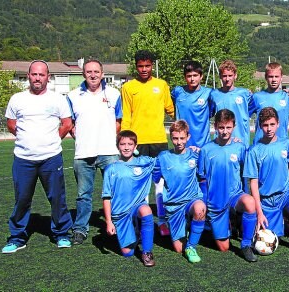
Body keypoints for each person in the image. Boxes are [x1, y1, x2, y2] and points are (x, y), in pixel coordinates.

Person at [2, 60, 73, 253]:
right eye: (34, 74)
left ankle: (62, 234)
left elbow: (66, 123)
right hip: (23, 159)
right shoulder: (17, 99)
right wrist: (28, 139)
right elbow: (11, 124)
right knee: (22, 199)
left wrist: (50, 139)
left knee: (57, 198)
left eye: (42, 75)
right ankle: (17, 237)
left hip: (51, 157)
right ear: (28, 76)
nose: (38, 78)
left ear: (48, 78)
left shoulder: (58, 99)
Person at [67, 59, 122, 245]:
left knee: (115, 192)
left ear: (102, 73)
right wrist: (84, 138)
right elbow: (70, 124)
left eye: (96, 71)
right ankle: (80, 229)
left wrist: (106, 138)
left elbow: (118, 122)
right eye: (89, 71)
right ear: (83, 74)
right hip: (83, 154)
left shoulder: (114, 94)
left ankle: (118, 225)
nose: (93, 75)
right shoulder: (73, 96)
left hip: (109, 152)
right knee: (83, 194)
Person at [244, 107, 289, 254]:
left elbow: (288, 170)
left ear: (278, 123)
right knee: (267, 241)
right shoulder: (254, 151)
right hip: (267, 200)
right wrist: (259, 212)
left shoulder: (286, 144)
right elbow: (253, 184)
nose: (269, 129)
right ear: (259, 126)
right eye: (265, 125)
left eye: (272, 124)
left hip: (286, 193)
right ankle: (285, 219)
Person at [121, 50, 175, 236]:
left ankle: (162, 221)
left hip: (159, 141)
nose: (144, 69)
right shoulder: (128, 87)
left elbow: (172, 109)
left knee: (160, 183)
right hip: (139, 143)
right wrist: (125, 140)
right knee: (141, 184)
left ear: (152, 65)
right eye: (140, 66)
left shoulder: (161, 85)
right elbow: (126, 115)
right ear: (136, 66)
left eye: (147, 65)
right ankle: (142, 221)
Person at [197, 109, 259, 262]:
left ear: (234, 126)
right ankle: (219, 225)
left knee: (250, 203)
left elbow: (245, 174)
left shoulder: (240, 148)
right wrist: (204, 203)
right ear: (215, 126)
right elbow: (202, 179)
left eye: (228, 127)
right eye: (221, 127)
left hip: (234, 195)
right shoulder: (206, 150)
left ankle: (245, 245)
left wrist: (245, 194)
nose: (225, 131)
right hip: (215, 202)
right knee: (224, 248)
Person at [153, 121, 206, 263]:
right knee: (178, 249)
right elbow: (156, 181)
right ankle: (183, 225)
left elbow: (203, 175)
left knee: (200, 208)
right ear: (171, 137)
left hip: (192, 199)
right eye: (175, 138)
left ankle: (191, 246)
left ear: (188, 137)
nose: (179, 142)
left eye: (182, 138)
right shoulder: (163, 157)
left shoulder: (195, 154)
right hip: (174, 205)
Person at [102, 130, 156, 267]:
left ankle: (147, 252)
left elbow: (166, 157)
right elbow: (106, 198)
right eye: (123, 144)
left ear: (135, 146)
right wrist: (108, 222)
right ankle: (135, 231)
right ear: (117, 146)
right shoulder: (111, 169)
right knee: (128, 253)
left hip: (137, 206)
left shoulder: (144, 162)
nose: (126, 147)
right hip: (120, 213)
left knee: (146, 211)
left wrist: (192, 149)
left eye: (130, 144)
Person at [210, 60, 255, 147]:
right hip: (221, 141)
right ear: (220, 76)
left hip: (241, 141)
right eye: (224, 76)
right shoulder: (213, 95)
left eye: (230, 75)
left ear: (235, 76)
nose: (227, 79)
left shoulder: (245, 94)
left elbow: (255, 109)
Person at [251, 62, 289, 145]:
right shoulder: (256, 97)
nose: (273, 80)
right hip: (260, 145)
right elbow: (241, 116)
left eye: (276, 76)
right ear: (266, 77)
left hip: (281, 145)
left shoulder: (288, 97)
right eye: (270, 76)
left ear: (281, 78)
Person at [171, 60, 213, 148]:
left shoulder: (208, 93)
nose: (192, 79)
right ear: (185, 77)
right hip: (182, 144)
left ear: (201, 76)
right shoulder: (177, 91)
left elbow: (212, 111)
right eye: (189, 76)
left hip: (202, 145)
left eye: (195, 75)